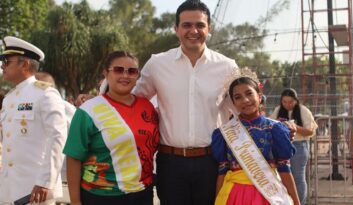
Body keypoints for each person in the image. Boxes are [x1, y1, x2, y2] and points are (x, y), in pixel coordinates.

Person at [133, 1, 238, 204]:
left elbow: (244, 110)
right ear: (176, 29)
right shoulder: (157, 64)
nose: (193, 31)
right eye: (187, 25)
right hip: (170, 163)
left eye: (200, 25)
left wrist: (277, 127)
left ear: (209, 29)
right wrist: (101, 101)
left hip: (213, 162)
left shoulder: (227, 67)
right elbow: (134, 99)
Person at [63, 51, 159, 205]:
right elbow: (73, 158)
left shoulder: (147, 107)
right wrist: (75, 202)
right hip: (100, 196)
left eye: (132, 71)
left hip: (143, 193)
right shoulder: (88, 111)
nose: (125, 76)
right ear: (106, 73)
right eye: (118, 70)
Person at [211, 76, 300, 205]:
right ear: (233, 103)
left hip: (269, 195)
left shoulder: (275, 129)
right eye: (238, 97)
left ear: (259, 96)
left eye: (249, 94)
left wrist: (296, 202)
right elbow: (222, 171)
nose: (245, 100)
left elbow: (284, 169)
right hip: (235, 195)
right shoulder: (224, 133)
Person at [0, 36, 68, 204]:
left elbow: (58, 138)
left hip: (35, 190)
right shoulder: (9, 99)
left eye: (7, 61)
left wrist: (46, 181)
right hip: (9, 188)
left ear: (25, 64)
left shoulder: (45, 94)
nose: (2, 66)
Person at [270, 88, 317, 205]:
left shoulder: (303, 111)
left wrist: (294, 126)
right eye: (284, 102)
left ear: (296, 100)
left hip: (299, 146)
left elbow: (310, 131)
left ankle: (300, 202)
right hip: (281, 146)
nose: (287, 105)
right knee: (283, 177)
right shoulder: (278, 110)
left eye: (290, 102)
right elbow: (270, 124)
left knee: (298, 177)